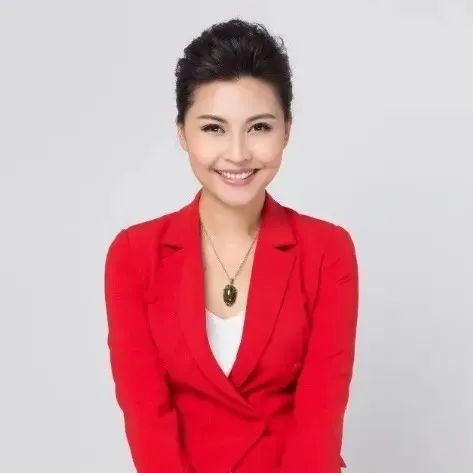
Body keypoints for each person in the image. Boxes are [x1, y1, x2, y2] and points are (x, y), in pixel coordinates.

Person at [104, 17, 359, 473]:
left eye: (259, 127)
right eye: (214, 128)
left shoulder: (327, 251)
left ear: (286, 130)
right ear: (182, 132)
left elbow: (320, 420)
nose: (238, 154)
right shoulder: (134, 255)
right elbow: (146, 416)